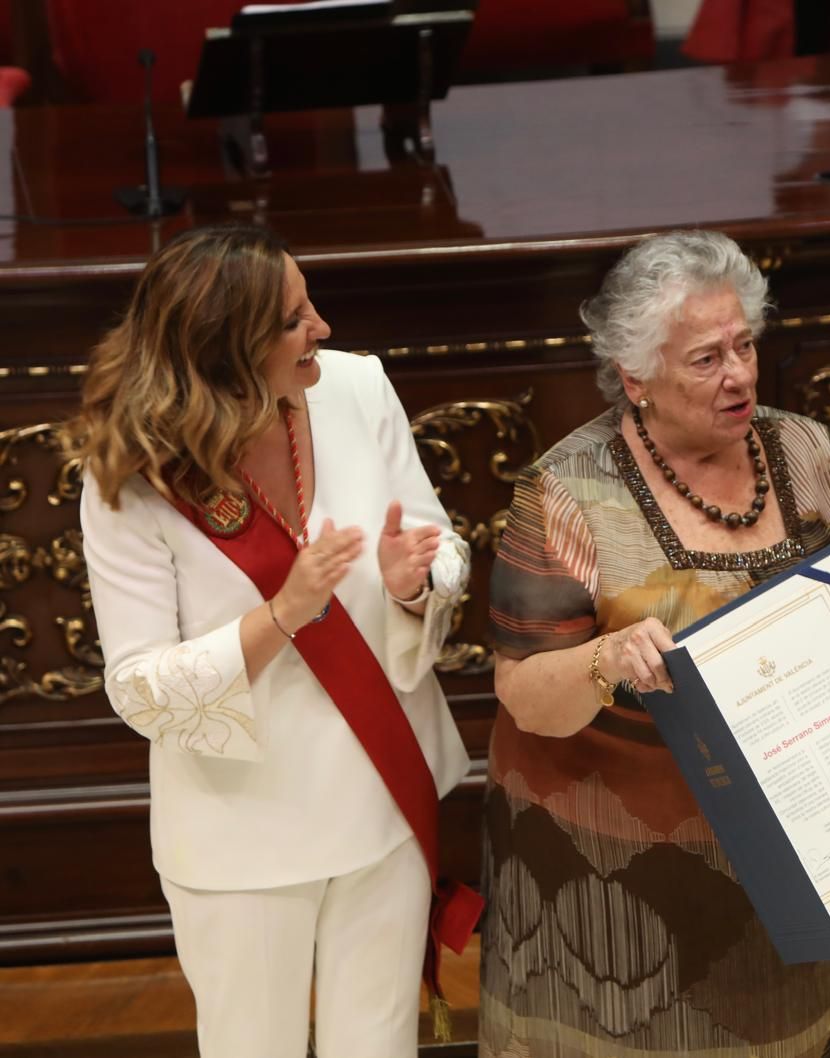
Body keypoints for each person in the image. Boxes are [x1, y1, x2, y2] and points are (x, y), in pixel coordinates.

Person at [483, 229, 830, 1058]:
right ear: (635, 375)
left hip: (786, 867)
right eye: (707, 358)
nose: (741, 375)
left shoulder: (803, 450)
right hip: (611, 897)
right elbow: (522, 692)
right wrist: (603, 661)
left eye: (745, 345)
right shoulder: (566, 493)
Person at [70, 224, 475, 1058]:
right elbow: (139, 687)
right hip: (242, 833)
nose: (321, 326)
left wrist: (413, 582)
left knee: (382, 1045)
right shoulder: (133, 475)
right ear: (225, 349)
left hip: (383, 795)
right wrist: (280, 614)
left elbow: (440, 542)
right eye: (293, 320)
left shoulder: (355, 388)